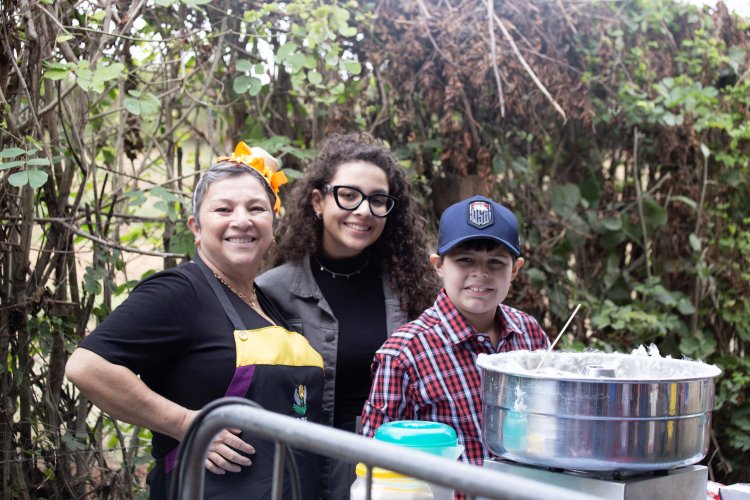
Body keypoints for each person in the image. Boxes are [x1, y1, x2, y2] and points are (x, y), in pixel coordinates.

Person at [65, 143, 324, 500]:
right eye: (223, 208)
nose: (242, 220)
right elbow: (87, 366)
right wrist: (187, 423)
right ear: (196, 227)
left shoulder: (266, 301)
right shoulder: (181, 290)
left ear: (272, 225)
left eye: (256, 208)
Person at [256, 132, 439, 499]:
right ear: (318, 201)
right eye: (349, 195)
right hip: (306, 471)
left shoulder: (412, 287)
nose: (364, 211)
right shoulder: (273, 290)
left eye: (378, 200)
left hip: (398, 472)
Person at [360, 195, 550, 471]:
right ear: (438, 265)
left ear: (515, 269)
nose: (480, 273)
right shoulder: (404, 353)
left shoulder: (529, 333)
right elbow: (374, 462)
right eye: (465, 260)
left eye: (495, 262)